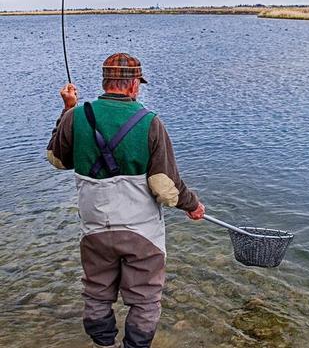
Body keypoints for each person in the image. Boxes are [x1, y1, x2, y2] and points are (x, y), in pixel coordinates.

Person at [47, 53, 205, 348]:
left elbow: (57, 159)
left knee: (96, 292)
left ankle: (103, 344)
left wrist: (67, 111)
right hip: (141, 232)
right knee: (144, 301)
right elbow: (165, 187)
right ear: (133, 85)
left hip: (94, 229)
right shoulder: (150, 122)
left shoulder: (77, 115)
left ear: (106, 82)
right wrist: (192, 205)